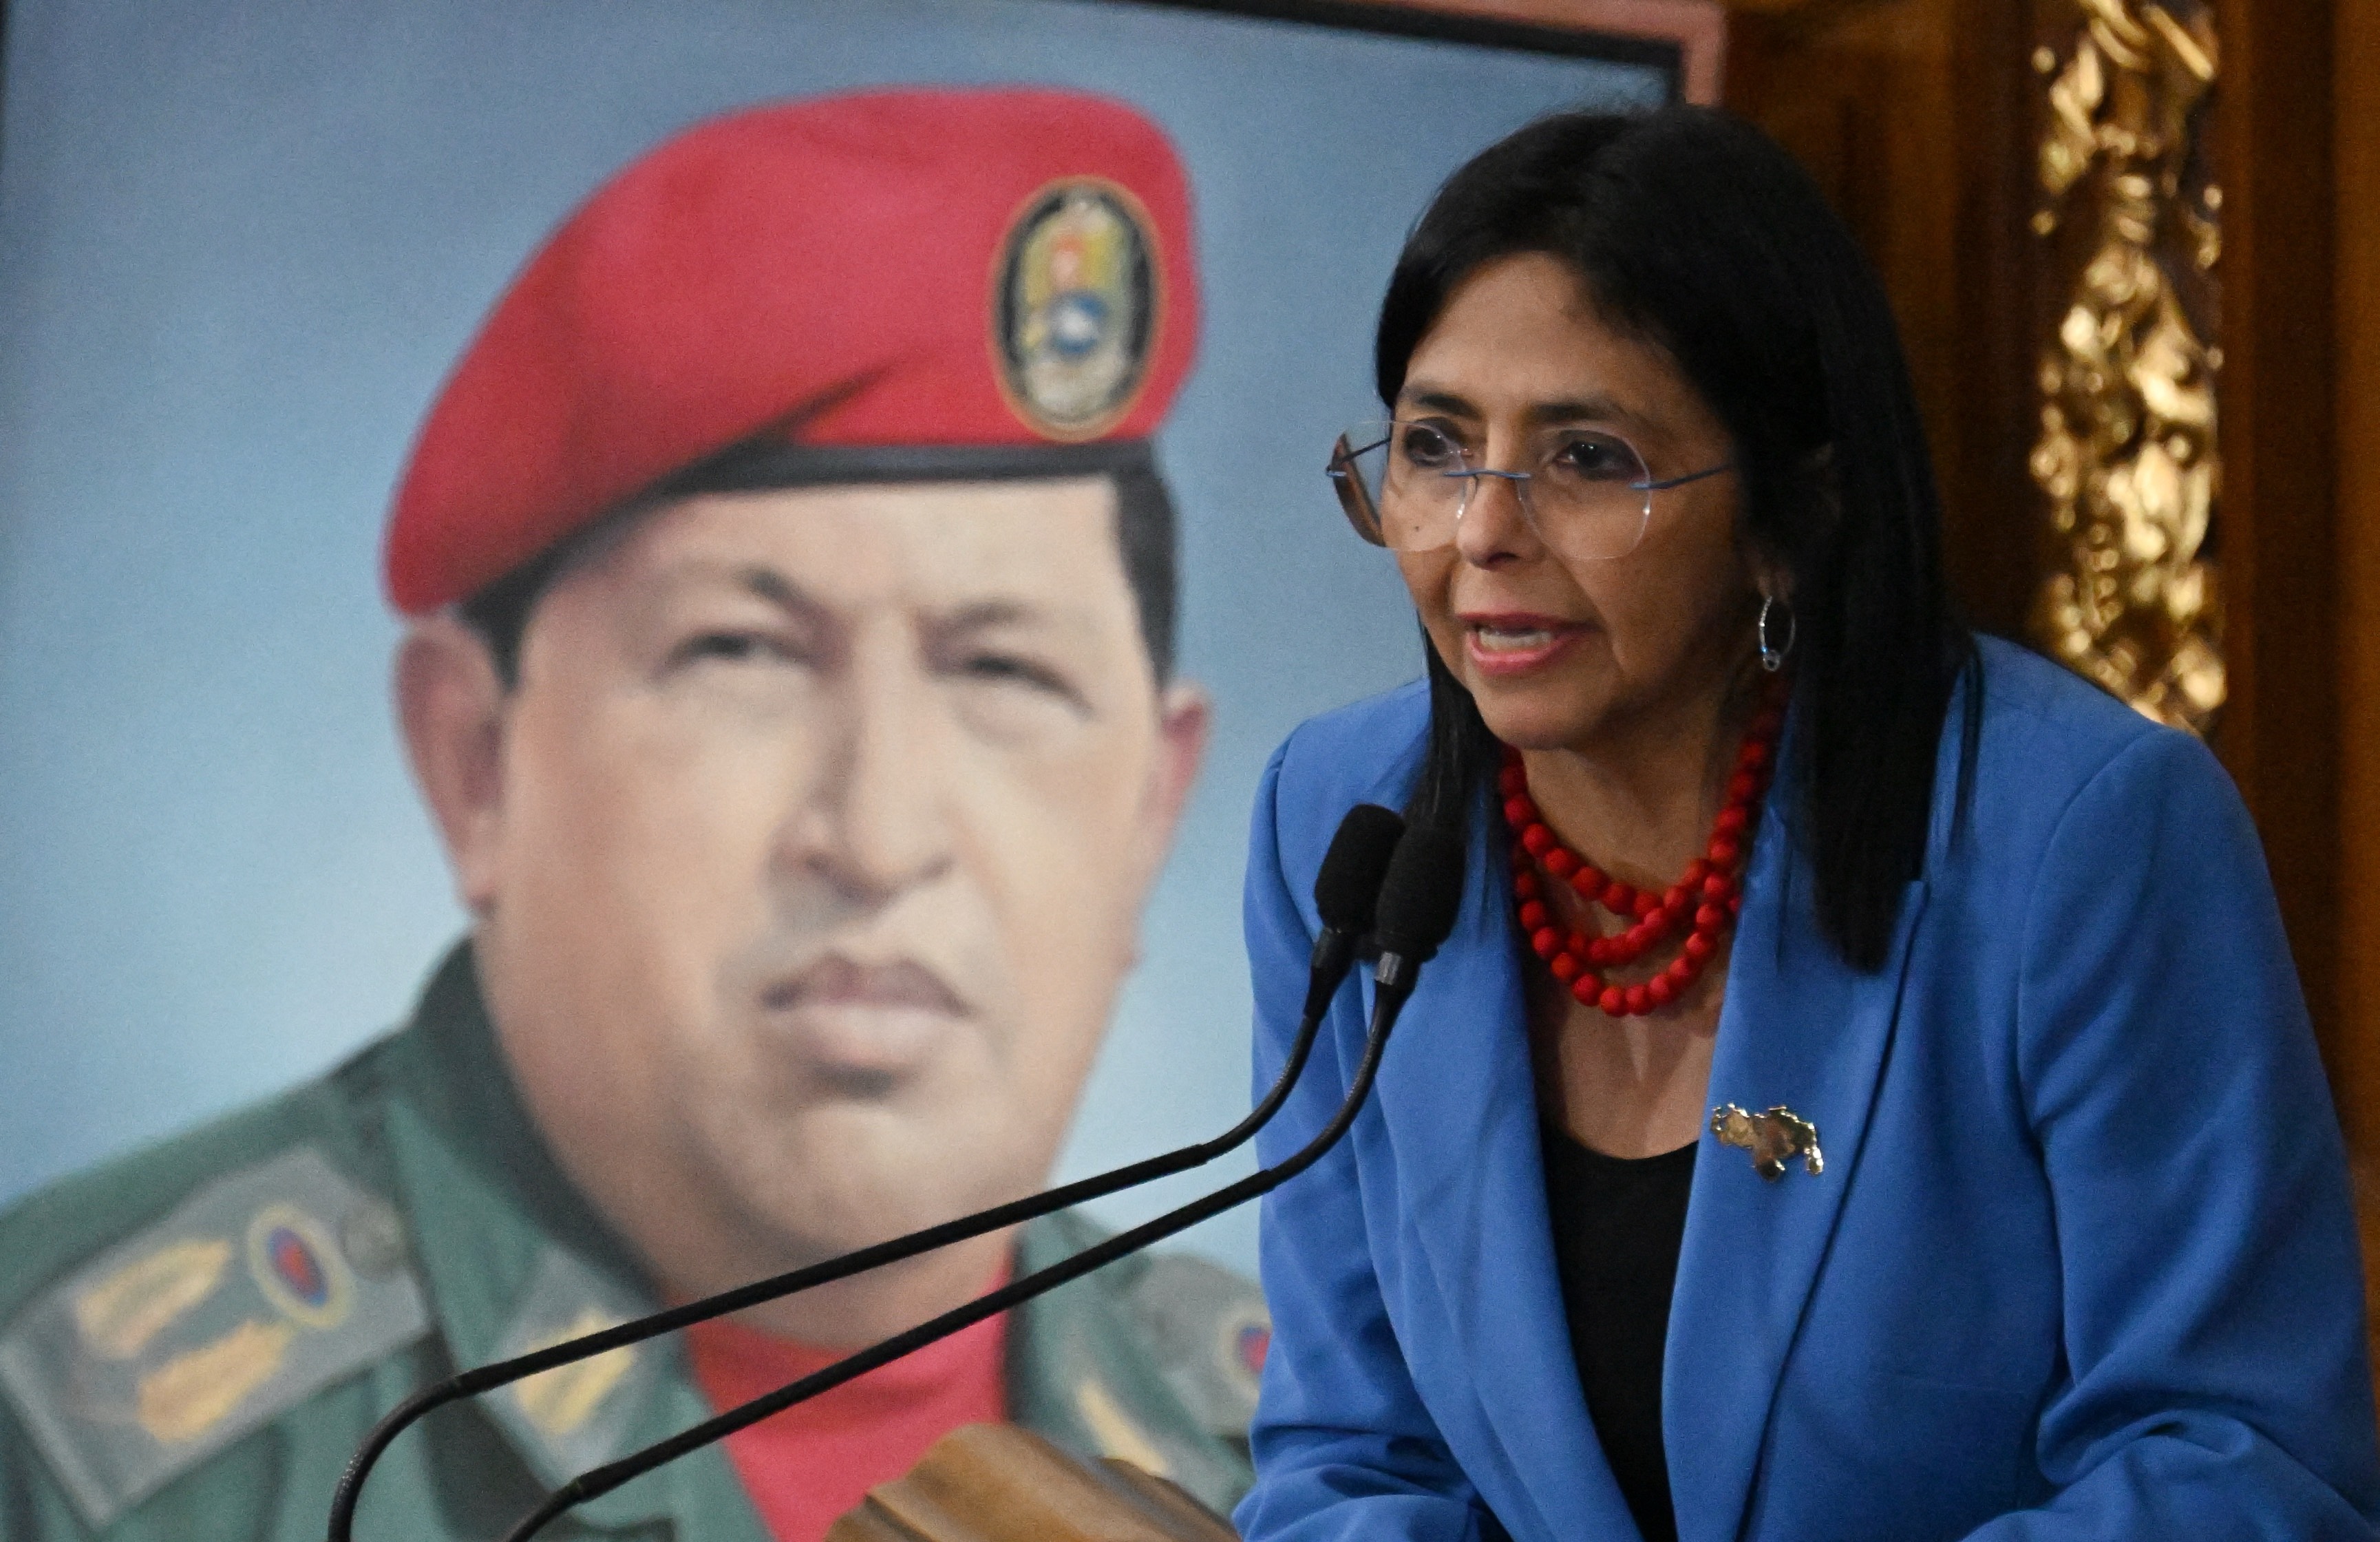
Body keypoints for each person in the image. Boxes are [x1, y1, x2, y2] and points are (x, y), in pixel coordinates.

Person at [0, 89, 1271, 1542]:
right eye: (742, 653)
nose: (877, 837)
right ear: (476, 767)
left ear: (1151, 811)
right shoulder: (80, 1451)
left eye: (1004, 671)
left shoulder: (1319, 1452)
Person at [1233, 105, 2380, 1542]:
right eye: (1435, 446)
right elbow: (1345, 1453)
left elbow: (2241, 1463)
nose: (1480, 532)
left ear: (1789, 517)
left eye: (1585, 457)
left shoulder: (2082, 839)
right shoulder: (1343, 825)